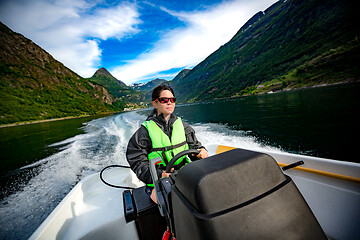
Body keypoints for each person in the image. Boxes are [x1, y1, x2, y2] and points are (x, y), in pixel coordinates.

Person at [126, 84, 208, 203]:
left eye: (172, 100)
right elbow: (137, 161)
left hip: (185, 174)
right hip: (159, 181)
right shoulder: (145, 132)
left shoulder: (183, 126)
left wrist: (200, 151)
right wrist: (160, 175)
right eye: (164, 100)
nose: (169, 103)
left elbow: (195, 146)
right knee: (168, 202)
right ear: (155, 103)